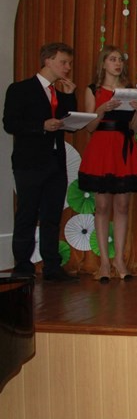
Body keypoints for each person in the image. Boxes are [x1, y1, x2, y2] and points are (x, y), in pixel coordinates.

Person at [4, 42, 79, 282]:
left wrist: (69, 96)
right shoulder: (21, 89)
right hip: (30, 163)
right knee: (27, 213)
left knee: (52, 215)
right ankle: (23, 265)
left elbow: (70, 123)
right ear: (48, 60)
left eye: (69, 63)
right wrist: (41, 126)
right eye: (63, 62)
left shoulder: (59, 92)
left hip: (56, 162)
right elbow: (10, 123)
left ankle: (52, 266)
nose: (67, 67)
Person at [78, 45, 137, 281]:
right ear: (103, 63)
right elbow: (89, 127)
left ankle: (119, 260)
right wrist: (101, 109)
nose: (117, 63)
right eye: (112, 59)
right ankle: (104, 263)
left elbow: (135, 128)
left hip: (124, 147)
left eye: (120, 60)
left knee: (123, 206)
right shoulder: (93, 90)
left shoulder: (130, 91)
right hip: (102, 147)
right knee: (103, 205)